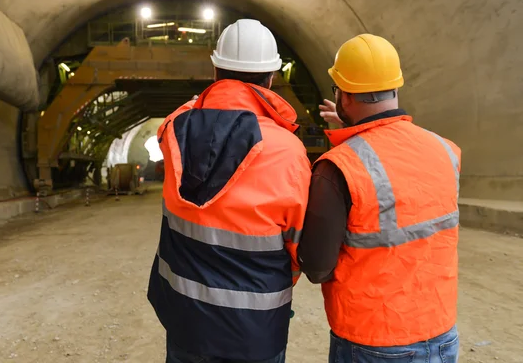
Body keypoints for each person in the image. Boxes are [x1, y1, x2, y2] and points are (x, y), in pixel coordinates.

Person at [148, 19, 311, 363]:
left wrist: (201, 101)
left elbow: (172, 120)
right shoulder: (286, 149)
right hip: (255, 326)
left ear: (216, 70)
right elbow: (300, 246)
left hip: (185, 319)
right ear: (271, 78)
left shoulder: (176, 133)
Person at [298, 34, 461, 362]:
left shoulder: (338, 168)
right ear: (396, 88)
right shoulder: (445, 150)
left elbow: (317, 267)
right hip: (442, 334)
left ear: (344, 95)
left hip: (373, 340)